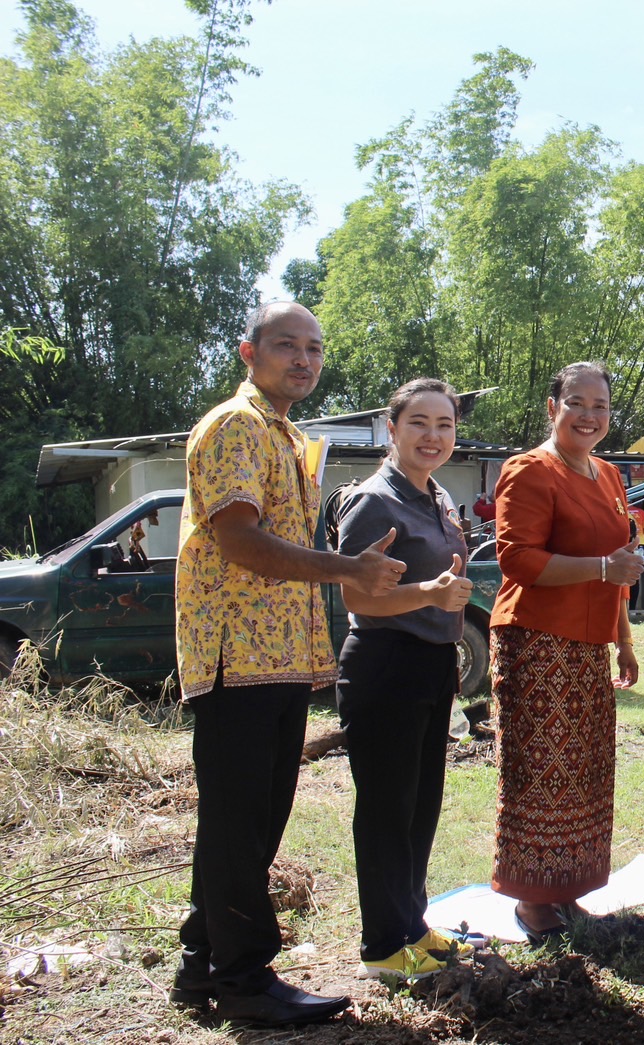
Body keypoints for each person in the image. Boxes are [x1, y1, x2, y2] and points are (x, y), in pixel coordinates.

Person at [172, 301, 406, 1026]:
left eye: (313, 348)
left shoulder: (287, 437)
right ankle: (243, 980)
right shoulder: (235, 426)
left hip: (275, 658)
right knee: (241, 821)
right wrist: (346, 570)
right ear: (249, 351)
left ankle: (200, 965)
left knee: (246, 821)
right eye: (286, 346)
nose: (303, 359)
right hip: (235, 655)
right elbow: (240, 540)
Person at [335, 378, 483, 982]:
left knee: (421, 807)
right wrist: (431, 591)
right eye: (418, 423)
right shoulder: (373, 501)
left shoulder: (437, 498)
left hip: (430, 664)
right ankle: (381, 947)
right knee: (386, 812)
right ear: (390, 429)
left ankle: (414, 926)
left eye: (444, 425)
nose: (433, 435)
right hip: (384, 663)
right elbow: (356, 594)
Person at [490, 362, 643, 943]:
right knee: (539, 772)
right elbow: (518, 560)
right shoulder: (528, 471)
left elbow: (622, 566)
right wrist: (604, 568)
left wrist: (624, 641)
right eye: (576, 403)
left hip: (587, 649)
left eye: (600, 406)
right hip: (537, 642)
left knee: (583, 772)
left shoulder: (608, 476)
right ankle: (531, 901)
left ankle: (566, 891)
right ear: (553, 407)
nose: (589, 416)